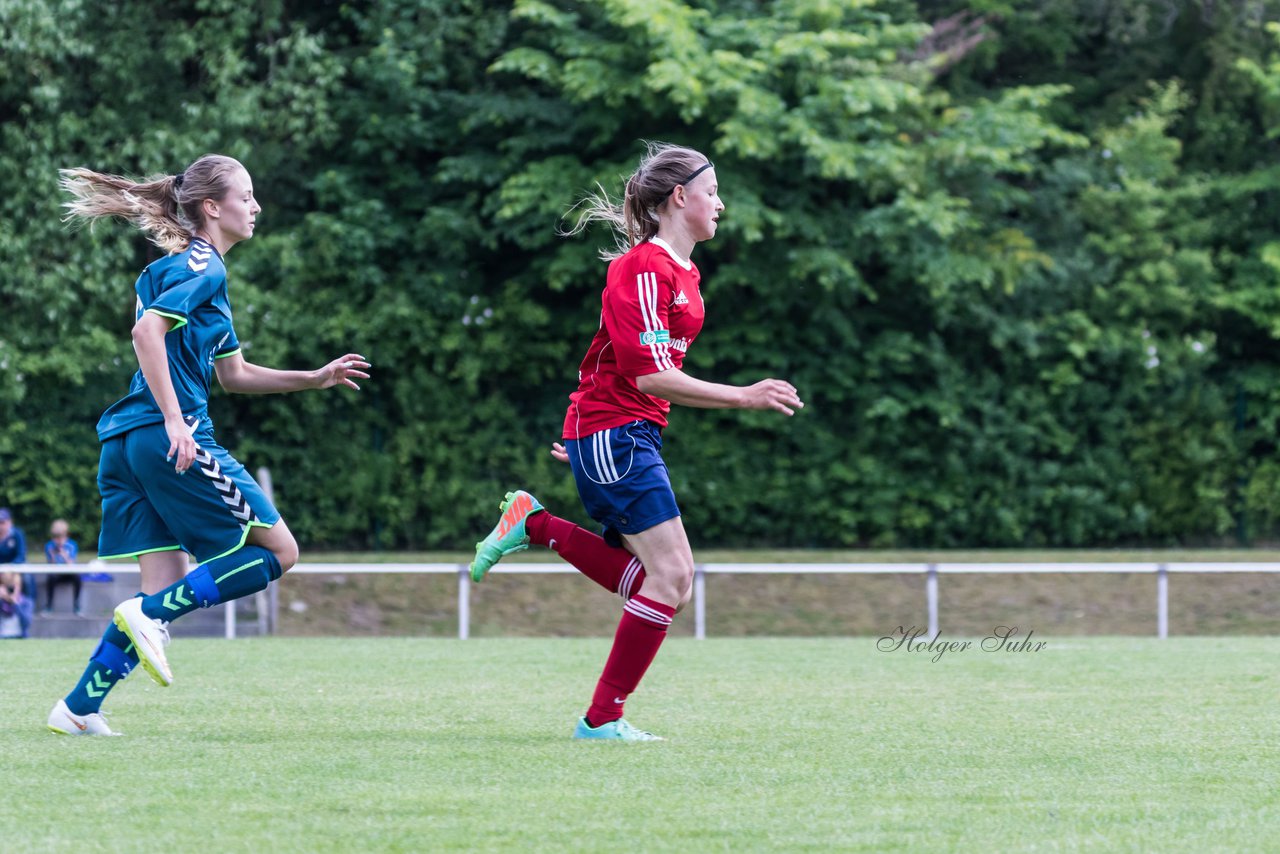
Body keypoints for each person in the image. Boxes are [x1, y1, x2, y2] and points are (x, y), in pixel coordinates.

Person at [469, 142, 803, 741]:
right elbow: (647, 374)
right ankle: (601, 720)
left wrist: (592, 442)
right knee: (672, 577)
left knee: (666, 580)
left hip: (622, 433)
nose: (720, 203)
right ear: (680, 198)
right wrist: (744, 395)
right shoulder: (642, 267)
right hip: (616, 431)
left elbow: (631, 373)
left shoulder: (683, 273)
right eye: (713, 191)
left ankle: (534, 523)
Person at [46, 154, 370, 736]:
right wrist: (175, 421)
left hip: (126, 441)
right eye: (247, 197)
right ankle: (149, 616)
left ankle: (77, 707)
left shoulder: (180, 271)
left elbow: (235, 374)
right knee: (279, 552)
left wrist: (313, 377)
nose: (256, 207)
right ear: (212, 208)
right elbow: (146, 334)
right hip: (168, 436)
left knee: (161, 588)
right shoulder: (204, 266)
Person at [0, 508, 36, 638]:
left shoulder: (17, 534)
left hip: (15, 571)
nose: (1, 526)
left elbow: (21, 555)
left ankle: (28, 602)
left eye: (3, 522)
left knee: (27, 577)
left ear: (9, 522)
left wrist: (11, 570)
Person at [43, 519, 83, 615]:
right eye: (56, 537)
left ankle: (76, 605)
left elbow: (72, 564)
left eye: (60, 536)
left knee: (77, 577)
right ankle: (49, 606)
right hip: (56, 574)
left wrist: (64, 555)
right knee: (50, 578)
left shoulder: (72, 545)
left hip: (68, 573)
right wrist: (52, 555)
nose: (58, 540)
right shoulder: (49, 546)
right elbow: (50, 566)